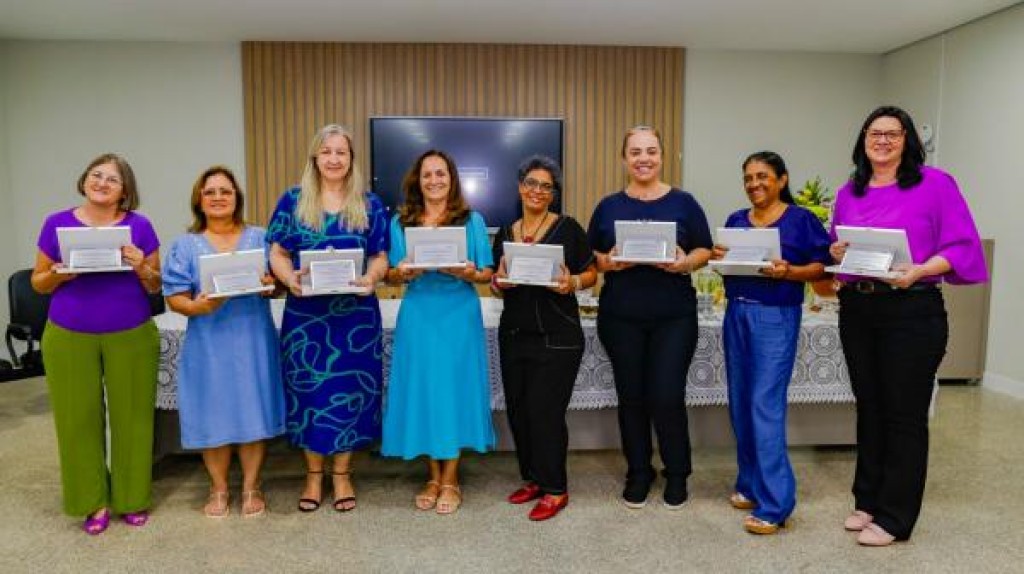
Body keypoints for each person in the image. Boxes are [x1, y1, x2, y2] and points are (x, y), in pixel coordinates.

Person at [829, 106, 987, 546]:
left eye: (892, 134)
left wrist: (919, 270)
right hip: (859, 309)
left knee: (904, 415)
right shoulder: (849, 191)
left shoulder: (935, 184)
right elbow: (842, 248)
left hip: (912, 310)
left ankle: (896, 517)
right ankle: (868, 499)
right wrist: (838, 251)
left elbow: (961, 246)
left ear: (907, 140)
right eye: (874, 133)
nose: (882, 141)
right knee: (870, 407)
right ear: (863, 139)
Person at [32, 153, 161, 534]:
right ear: (85, 179)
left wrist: (141, 266)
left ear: (125, 190)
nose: (102, 183)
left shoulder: (140, 226)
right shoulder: (56, 223)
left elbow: (155, 284)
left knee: (134, 419)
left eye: (112, 179)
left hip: (132, 332)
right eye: (96, 175)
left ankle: (132, 498)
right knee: (77, 420)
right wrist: (59, 275)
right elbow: (38, 282)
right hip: (69, 334)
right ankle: (93, 502)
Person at [587, 126, 713, 509]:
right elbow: (591, 257)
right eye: (636, 152)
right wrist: (609, 261)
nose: (644, 158)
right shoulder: (608, 206)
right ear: (624, 158)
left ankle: (677, 473)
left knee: (667, 396)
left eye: (651, 151)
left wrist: (685, 262)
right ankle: (639, 472)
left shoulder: (685, 203)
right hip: (620, 316)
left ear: (662, 156)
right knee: (632, 397)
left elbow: (705, 249)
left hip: (673, 317)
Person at [267, 125, 390, 513]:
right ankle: (312, 475)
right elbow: (278, 253)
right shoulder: (292, 200)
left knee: (351, 394)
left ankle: (342, 475)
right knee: (308, 394)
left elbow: (380, 256)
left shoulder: (369, 203)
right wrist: (289, 279)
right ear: (315, 158)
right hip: (306, 317)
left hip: (355, 319)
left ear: (351, 159)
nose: (334, 159)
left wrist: (372, 277)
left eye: (342, 152)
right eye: (326, 152)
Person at [711, 151, 830, 534]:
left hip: (775, 316)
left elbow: (822, 268)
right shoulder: (736, 220)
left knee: (764, 404)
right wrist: (719, 257)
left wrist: (789, 271)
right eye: (748, 177)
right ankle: (750, 484)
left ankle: (776, 503)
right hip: (737, 313)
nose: (754, 184)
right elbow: (728, 267)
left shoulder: (801, 220)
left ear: (782, 179)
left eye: (762, 176)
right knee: (741, 402)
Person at [162, 166, 285, 518]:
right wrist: (197, 306)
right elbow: (175, 297)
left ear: (237, 198)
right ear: (199, 200)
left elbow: (278, 283)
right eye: (210, 192)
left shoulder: (261, 238)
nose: (218, 197)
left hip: (252, 338)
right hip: (208, 341)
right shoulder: (185, 246)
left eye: (225, 191)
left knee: (252, 408)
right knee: (212, 412)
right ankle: (218, 488)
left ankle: (251, 486)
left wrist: (271, 285)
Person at [382, 149, 495, 515]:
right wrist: (403, 272)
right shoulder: (400, 222)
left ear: (452, 179)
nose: (434, 180)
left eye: (441, 174)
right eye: (427, 174)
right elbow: (391, 275)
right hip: (419, 313)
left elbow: (487, 273)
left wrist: (468, 272)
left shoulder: (472, 220)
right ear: (417, 180)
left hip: (458, 314)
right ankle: (432, 476)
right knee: (426, 392)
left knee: (454, 391)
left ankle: (451, 478)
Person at [490, 156, 597, 521]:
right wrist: (498, 283)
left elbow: (591, 273)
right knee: (519, 411)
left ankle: (555, 489)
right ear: (520, 187)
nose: (538, 191)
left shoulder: (569, 228)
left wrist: (573, 282)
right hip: (515, 334)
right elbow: (498, 282)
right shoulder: (506, 233)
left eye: (546, 186)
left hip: (558, 336)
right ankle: (534, 479)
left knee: (545, 413)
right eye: (532, 183)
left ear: (553, 194)